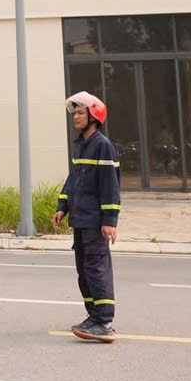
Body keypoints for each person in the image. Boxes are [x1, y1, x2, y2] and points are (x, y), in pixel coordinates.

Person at [53, 91, 122, 344]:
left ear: (94, 116)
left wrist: (109, 221)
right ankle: (93, 317)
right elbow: (74, 180)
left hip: (95, 221)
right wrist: (63, 205)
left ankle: (104, 321)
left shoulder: (103, 146)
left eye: (81, 112)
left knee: (96, 269)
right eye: (75, 113)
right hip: (81, 220)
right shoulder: (82, 145)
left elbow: (110, 186)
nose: (76, 117)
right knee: (84, 271)